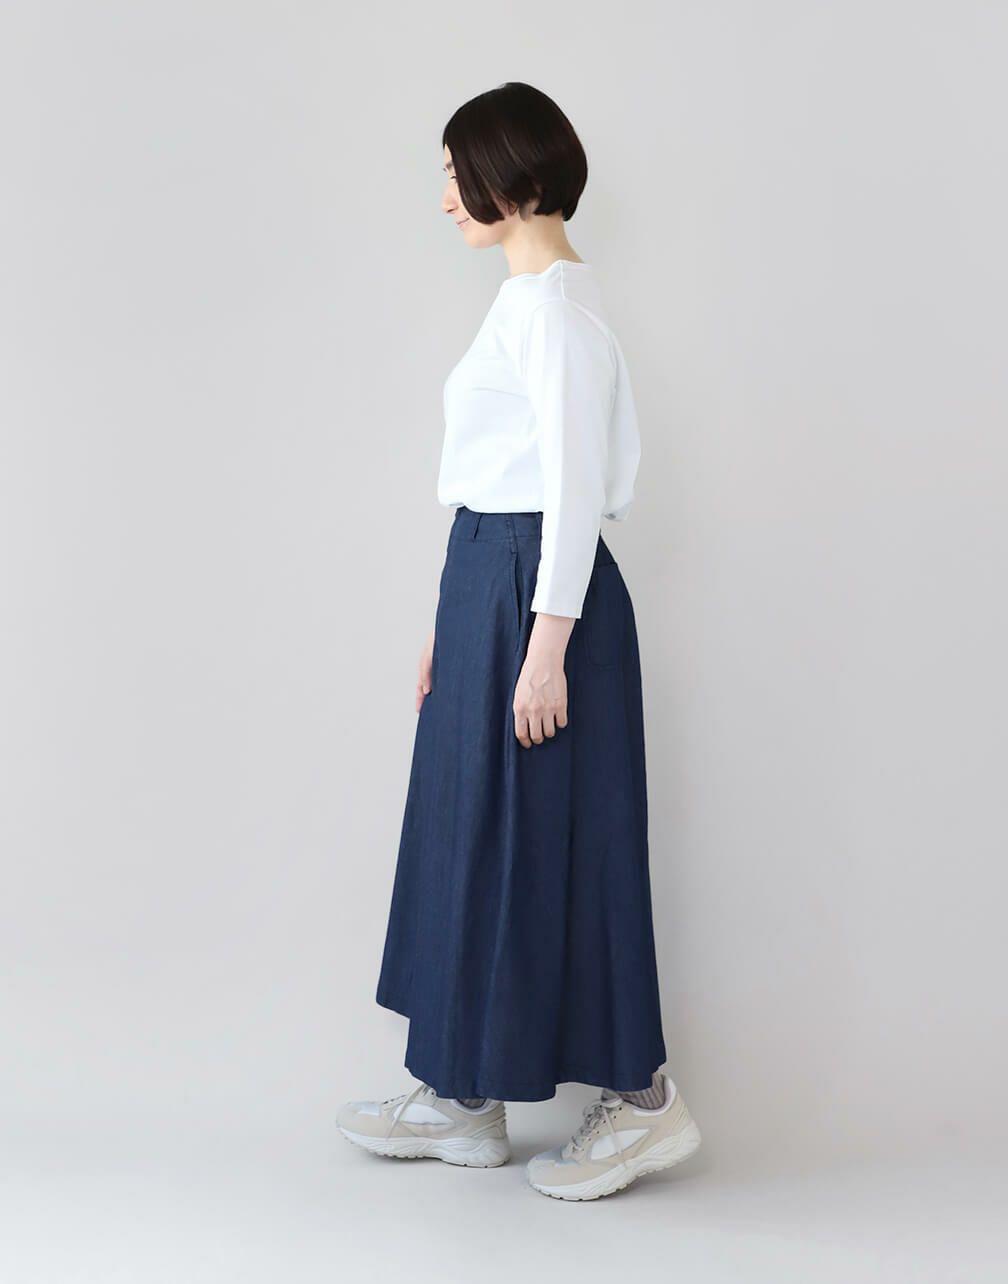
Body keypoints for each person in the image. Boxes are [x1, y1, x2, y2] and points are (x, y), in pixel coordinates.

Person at [336, 82, 701, 1201]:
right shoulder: (526, 304)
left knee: (555, 842)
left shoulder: (555, 314)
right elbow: (498, 481)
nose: (445, 197)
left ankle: (644, 1104)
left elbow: (570, 492)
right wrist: (449, 628)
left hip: (539, 594)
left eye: (457, 174)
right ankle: (463, 1097)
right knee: (472, 837)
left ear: (515, 173)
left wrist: (543, 649)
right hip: (491, 585)